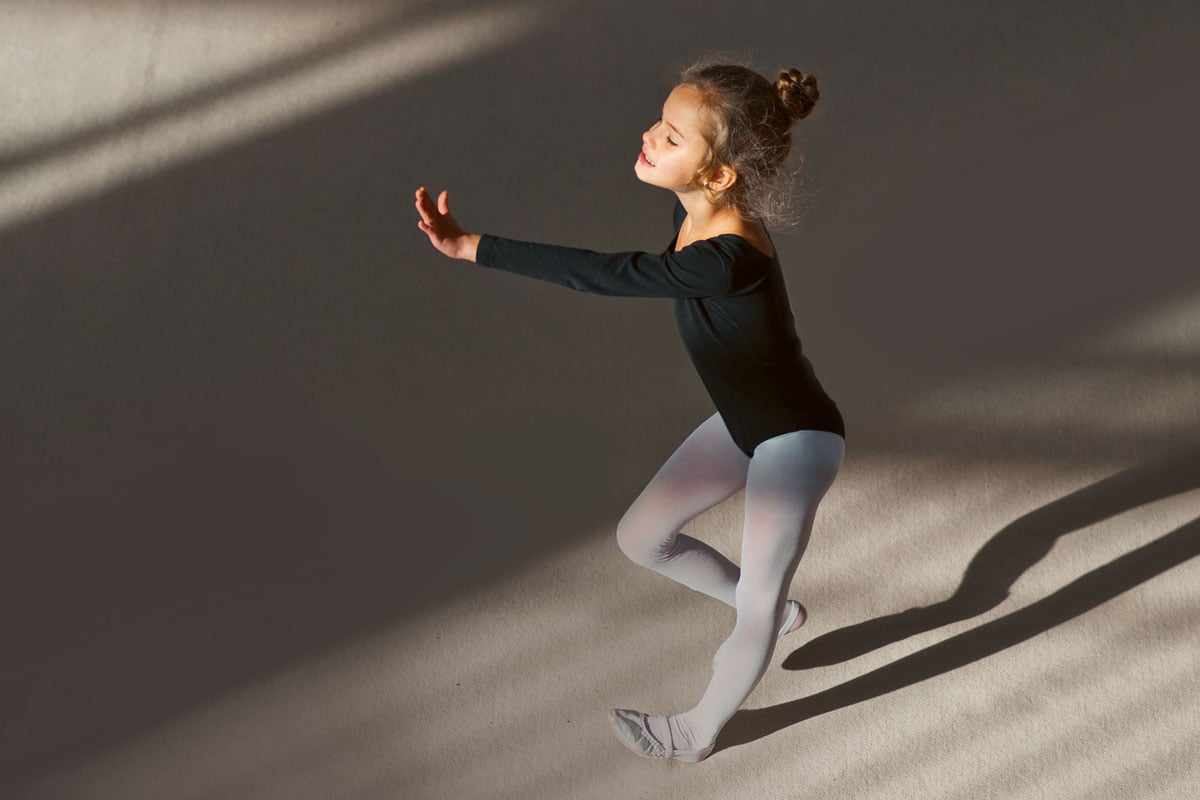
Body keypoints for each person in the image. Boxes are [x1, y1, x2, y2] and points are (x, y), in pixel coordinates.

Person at [414, 57, 845, 763]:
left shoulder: (728, 257)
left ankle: (695, 733)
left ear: (719, 176)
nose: (650, 136)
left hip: (796, 440)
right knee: (643, 536)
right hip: (744, 424)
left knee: (763, 602)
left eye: (673, 137)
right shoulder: (696, 208)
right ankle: (763, 610)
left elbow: (603, 273)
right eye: (660, 120)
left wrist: (471, 247)